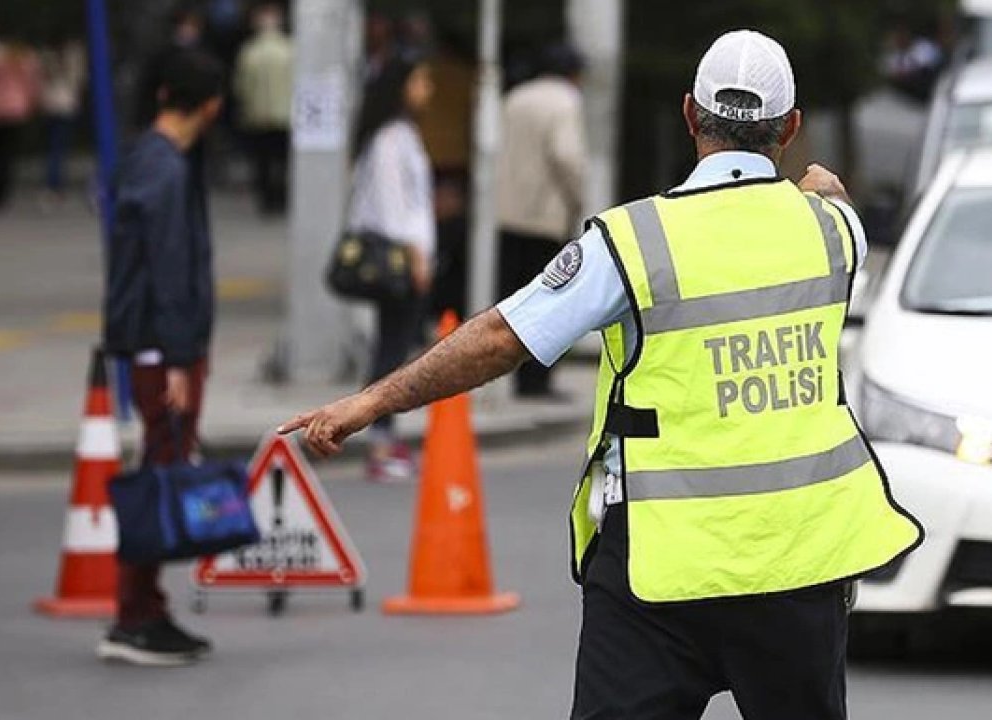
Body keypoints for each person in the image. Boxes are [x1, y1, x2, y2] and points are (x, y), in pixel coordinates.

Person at [281, 30, 923, 719]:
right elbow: (827, 198)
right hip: (800, 564)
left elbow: (503, 336)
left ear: (688, 115)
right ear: (792, 127)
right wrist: (817, 190)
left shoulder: (632, 243)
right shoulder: (834, 232)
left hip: (658, 569)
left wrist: (373, 401)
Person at [100, 49, 224, 667]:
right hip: (162, 350)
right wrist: (179, 359)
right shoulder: (167, 171)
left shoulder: (144, 158)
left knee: (161, 466)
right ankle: (135, 615)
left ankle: (144, 607)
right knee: (160, 474)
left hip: (154, 344)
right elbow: (169, 271)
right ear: (211, 106)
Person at [345, 58, 437, 483]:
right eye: (420, 79)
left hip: (407, 256)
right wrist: (416, 255)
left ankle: (384, 434)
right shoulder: (389, 139)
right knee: (391, 349)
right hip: (398, 260)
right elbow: (393, 207)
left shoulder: (400, 134)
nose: (428, 88)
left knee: (394, 344)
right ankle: (379, 440)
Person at [494, 42, 586, 398]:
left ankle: (516, 376)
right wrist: (577, 197)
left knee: (515, 298)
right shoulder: (565, 101)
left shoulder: (515, 97)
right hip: (545, 216)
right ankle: (537, 381)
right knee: (551, 300)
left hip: (508, 211)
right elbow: (566, 155)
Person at [234, 1, 293, 215]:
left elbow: (241, 86)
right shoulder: (290, 49)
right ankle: (281, 198)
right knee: (282, 161)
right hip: (285, 115)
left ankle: (268, 200)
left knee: (263, 161)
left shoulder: (249, 52)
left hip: (258, 116)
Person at [38, 33, 86, 207]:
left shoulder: (48, 57)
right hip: (65, 104)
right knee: (59, 147)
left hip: (53, 103)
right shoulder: (72, 56)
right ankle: (55, 184)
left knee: (54, 146)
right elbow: (79, 79)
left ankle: (53, 184)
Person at [0, 38, 40, 209]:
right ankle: (3, 191)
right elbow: (32, 84)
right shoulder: (25, 58)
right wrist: (31, 102)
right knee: (7, 154)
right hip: (16, 110)